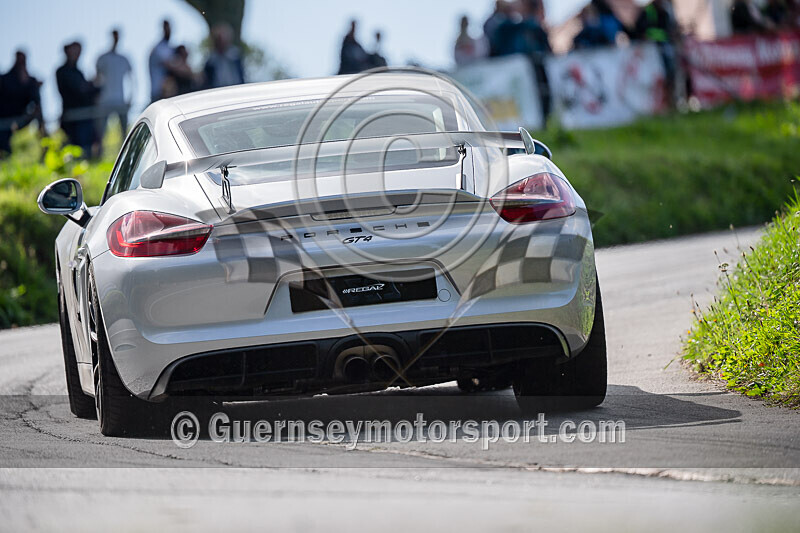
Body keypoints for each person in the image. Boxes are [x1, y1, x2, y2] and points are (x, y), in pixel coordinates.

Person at [56, 42, 99, 156]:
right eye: (74, 50)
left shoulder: (78, 72)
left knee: (87, 149)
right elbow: (76, 91)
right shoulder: (62, 72)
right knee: (76, 150)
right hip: (72, 117)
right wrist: (89, 86)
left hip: (85, 116)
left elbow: (87, 91)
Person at [634, 0, 679, 107]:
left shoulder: (665, 12)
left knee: (670, 75)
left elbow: (669, 30)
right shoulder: (647, 11)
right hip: (652, 50)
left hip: (664, 48)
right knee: (657, 78)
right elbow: (641, 30)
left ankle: (670, 102)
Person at [0, 51, 44, 156]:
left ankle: (42, 142)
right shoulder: (4, 79)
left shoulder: (30, 81)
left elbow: (36, 101)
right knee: (4, 150)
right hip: (3, 121)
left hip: (20, 120)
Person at [95, 28, 132, 147]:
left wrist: (130, 98)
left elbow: (131, 80)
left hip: (120, 100)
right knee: (101, 132)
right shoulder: (102, 58)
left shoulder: (124, 59)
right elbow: (97, 78)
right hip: (105, 101)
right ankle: (99, 154)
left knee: (124, 133)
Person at [203, 23, 245, 89]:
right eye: (219, 39)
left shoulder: (235, 56)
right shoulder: (211, 61)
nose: (222, 42)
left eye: (224, 38)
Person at [148, 19, 174, 102]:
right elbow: (172, 65)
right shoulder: (160, 48)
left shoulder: (167, 47)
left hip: (166, 93)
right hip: (159, 94)